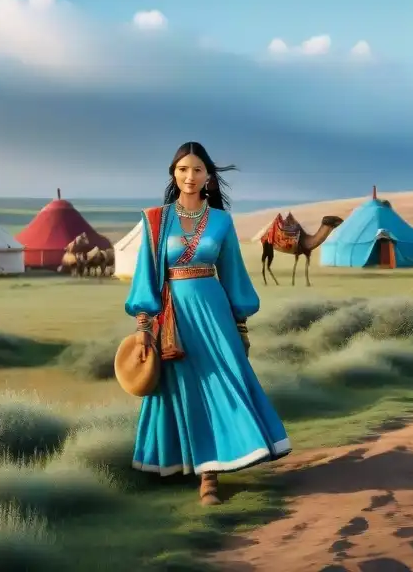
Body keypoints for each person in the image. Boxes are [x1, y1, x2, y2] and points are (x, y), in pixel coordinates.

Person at [124, 141, 291, 505]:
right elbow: (145, 276)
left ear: (209, 177)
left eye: (197, 170)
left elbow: (233, 275)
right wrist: (142, 326)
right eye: (183, 169)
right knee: (182, 389)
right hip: (174, 318)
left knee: (222, 383)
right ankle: (186, 464)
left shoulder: (221, 221)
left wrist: (241, 324)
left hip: (214, 314)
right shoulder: (154, 219)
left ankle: (210, 477)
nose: (190, 176)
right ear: (174, 173)